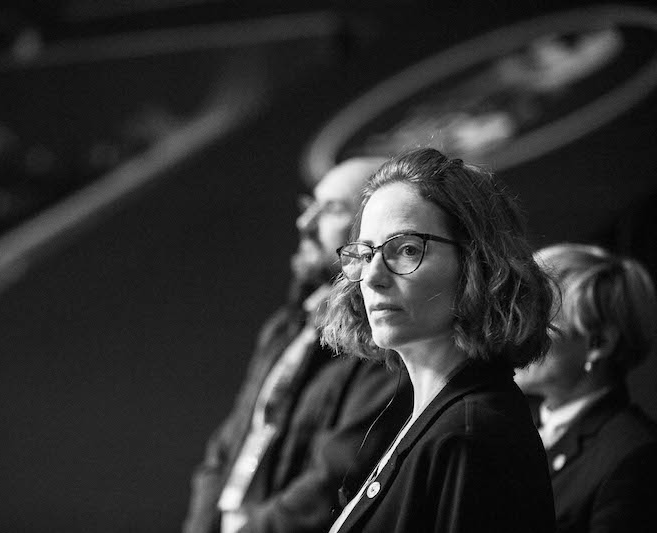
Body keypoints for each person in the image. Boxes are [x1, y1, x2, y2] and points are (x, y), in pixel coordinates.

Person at [321, 147, 556, 532]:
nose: (373, 277)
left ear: (478, 264)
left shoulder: (472, 436)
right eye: (365, 254)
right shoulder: (437, 417)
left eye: (407, 249)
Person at [182, 157, 412, 533]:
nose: (305, 223)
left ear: (369, 235)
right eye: (310, 205)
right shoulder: (284, 327)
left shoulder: (381, 344)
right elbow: (228, 444)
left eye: (332, 208)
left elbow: (332, 482)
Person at [515, 243, 657, 533]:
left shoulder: (634, 457)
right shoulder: (511, 419)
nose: (514, 334)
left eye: (538, 322)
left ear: (599, 344)